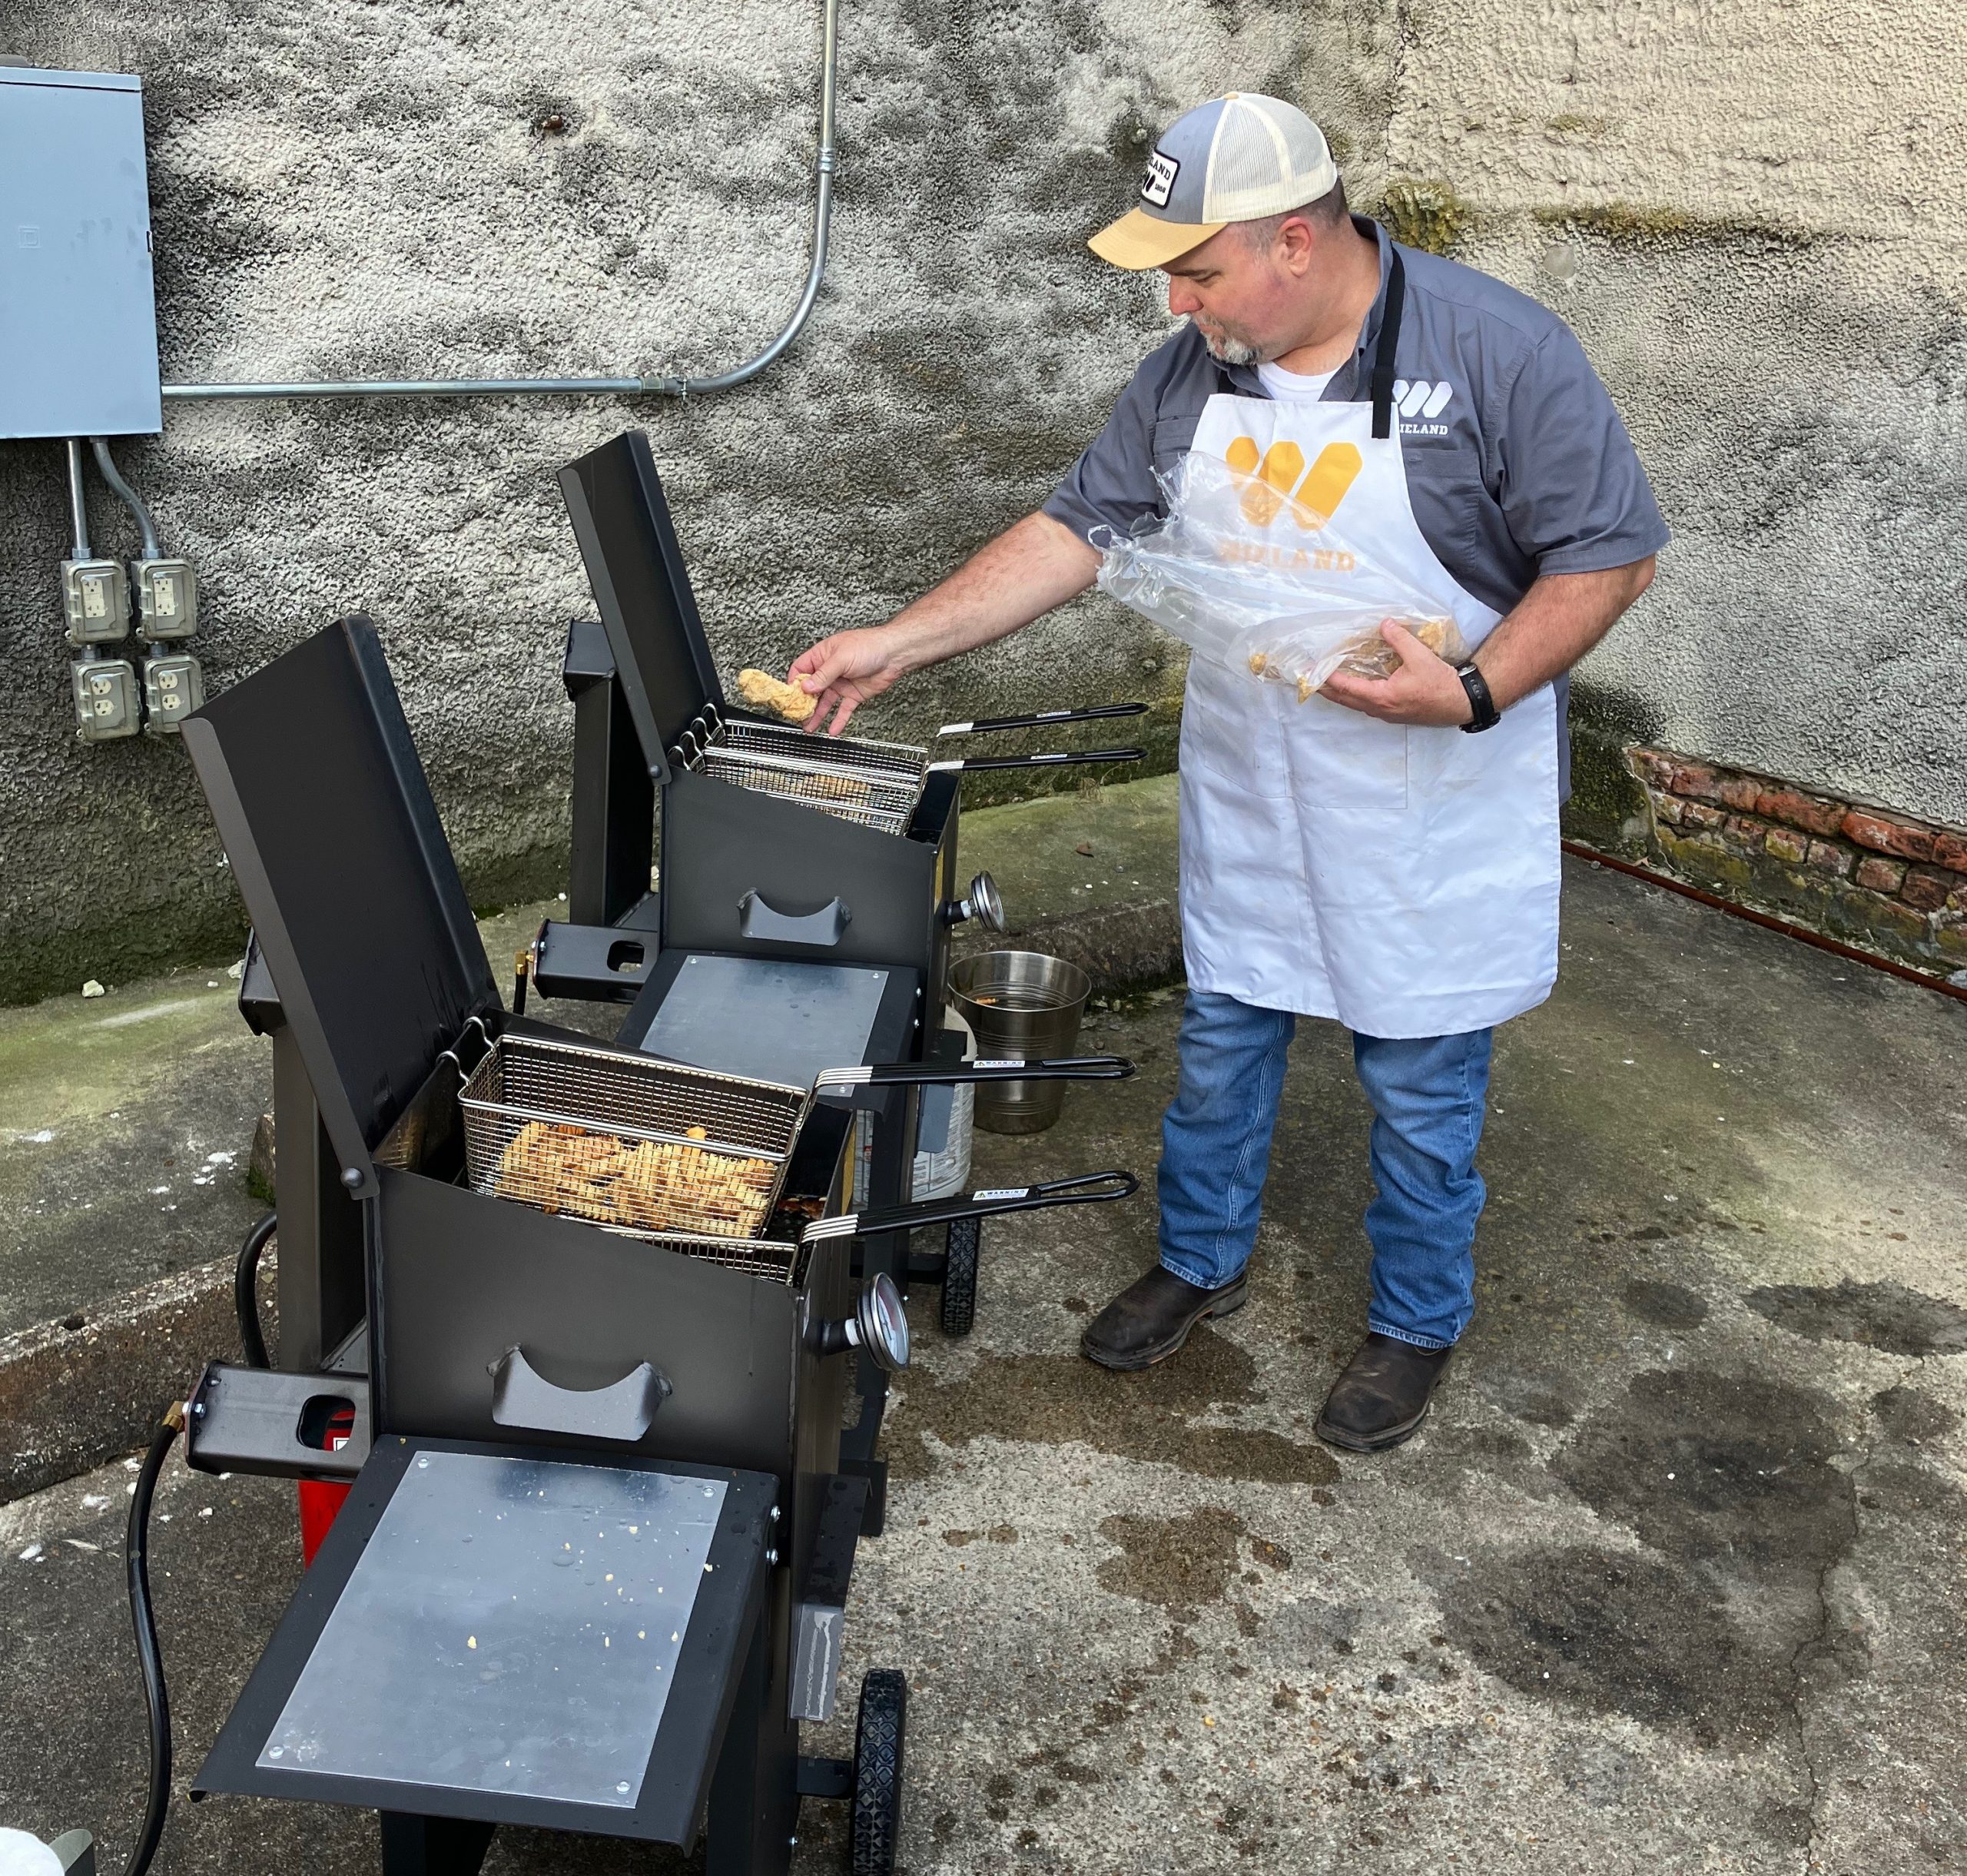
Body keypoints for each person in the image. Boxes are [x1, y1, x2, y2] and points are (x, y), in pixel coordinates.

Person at [788, 92, 1666, 1451]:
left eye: (1195, 270)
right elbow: (1079, 528)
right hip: (1259, 783)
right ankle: (1201, 1258)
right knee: (1222, 1045)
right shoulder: (1191, 378)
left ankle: (1415, 1318)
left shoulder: (1496, 353)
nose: (1176, 303)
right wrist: (898, 643)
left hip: (1428, 797)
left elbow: (1611, 554)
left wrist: (1476, 687)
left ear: (1294, 242)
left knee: (1420, 1088)